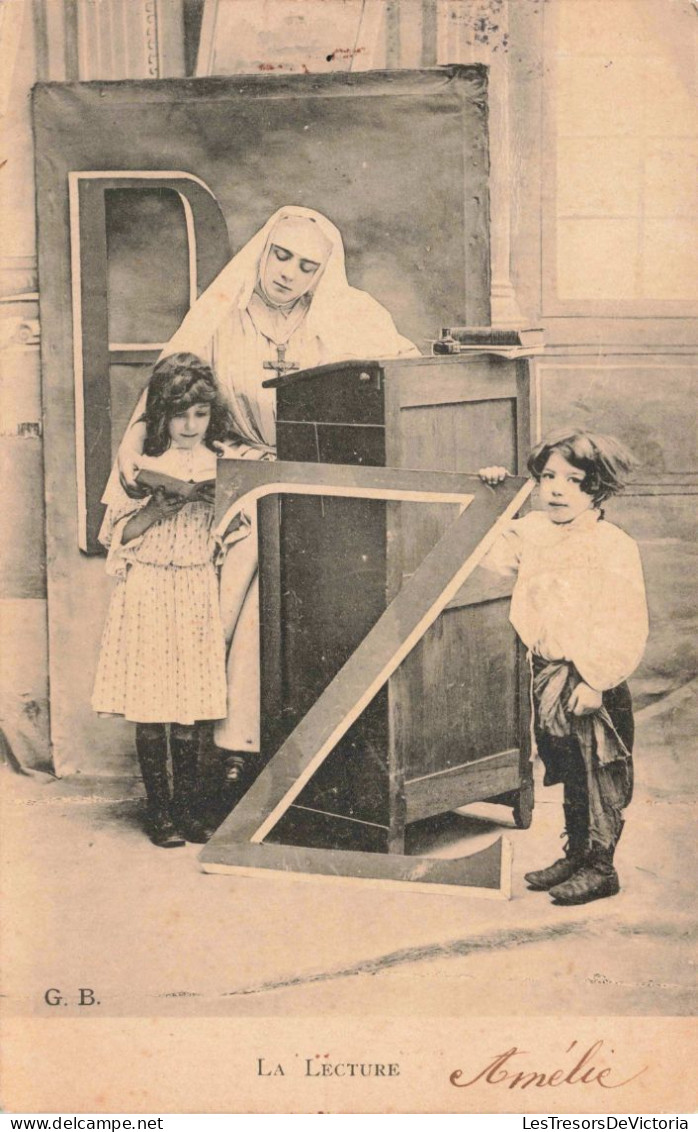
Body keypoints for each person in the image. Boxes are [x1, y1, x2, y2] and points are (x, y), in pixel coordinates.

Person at [110, 205, 420, 793]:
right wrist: (133, 444)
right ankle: (229, 755)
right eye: (280, 256)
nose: (287, 274)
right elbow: (166, 390)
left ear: (322, 274)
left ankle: (318, 764)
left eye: (307, 266)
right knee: (234, 597)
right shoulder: (221, 318)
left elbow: (405, 370)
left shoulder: (346, 316)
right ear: (263, 251)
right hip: (244, 474)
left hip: (321, 479)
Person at [479, 429, 648, 905]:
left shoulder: (612, 545)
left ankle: (601, 867)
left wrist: (596, 679)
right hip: (549, 676)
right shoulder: (532, 531)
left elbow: (625, 622)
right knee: (568, 766)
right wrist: (491, 495)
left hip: (595, 682)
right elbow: (489, 553)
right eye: (548, 476)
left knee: (600, 771)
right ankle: (576, 853)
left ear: (598, 488)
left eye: (573, 481)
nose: (555, 489)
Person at [93, 354, 236, 847]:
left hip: (195, 586)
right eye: (180, 415)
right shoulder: (141, 463)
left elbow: (232, 533)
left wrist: (219, 504)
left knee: (189, 708)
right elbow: (118, 536)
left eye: (199, 414)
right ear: (161, 415)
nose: (190, 426)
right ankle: (159, 812)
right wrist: (156, 509)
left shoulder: (220, 463)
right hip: (150, 587)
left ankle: (189, 810)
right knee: (154, 704)